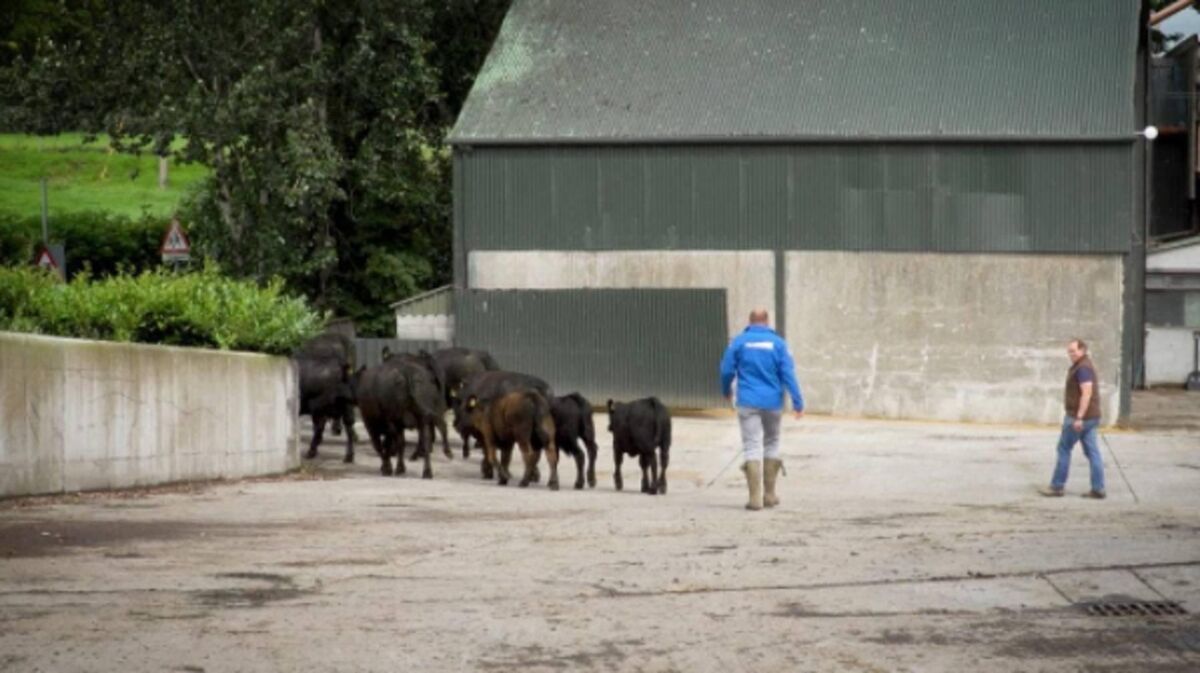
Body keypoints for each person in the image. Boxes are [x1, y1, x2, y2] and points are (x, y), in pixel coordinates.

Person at [719, 308, 804, 511]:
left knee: (752, 445)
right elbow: (788, 373)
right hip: (773, 403)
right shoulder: (779, 344)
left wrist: (726, 390)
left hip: (747, 401)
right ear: (767, 321)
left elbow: (726, 369)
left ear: (750, 321)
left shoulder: (738, 342)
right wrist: (797, 402)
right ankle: (770, 495)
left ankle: (755, 499)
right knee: (772, 442)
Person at [1040, 338, 1106, 499]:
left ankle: (1057, 486)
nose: (1071, 354)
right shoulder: (1083, 365)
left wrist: (1079, 418)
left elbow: (1086, 393)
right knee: (1092, 452)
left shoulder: (1083, 368)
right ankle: (1098, 488)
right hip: (1091, 417)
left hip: (1080, 418)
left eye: (1074, 351)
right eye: (1069, 351)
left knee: (1064, 449)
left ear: (1082, 350)